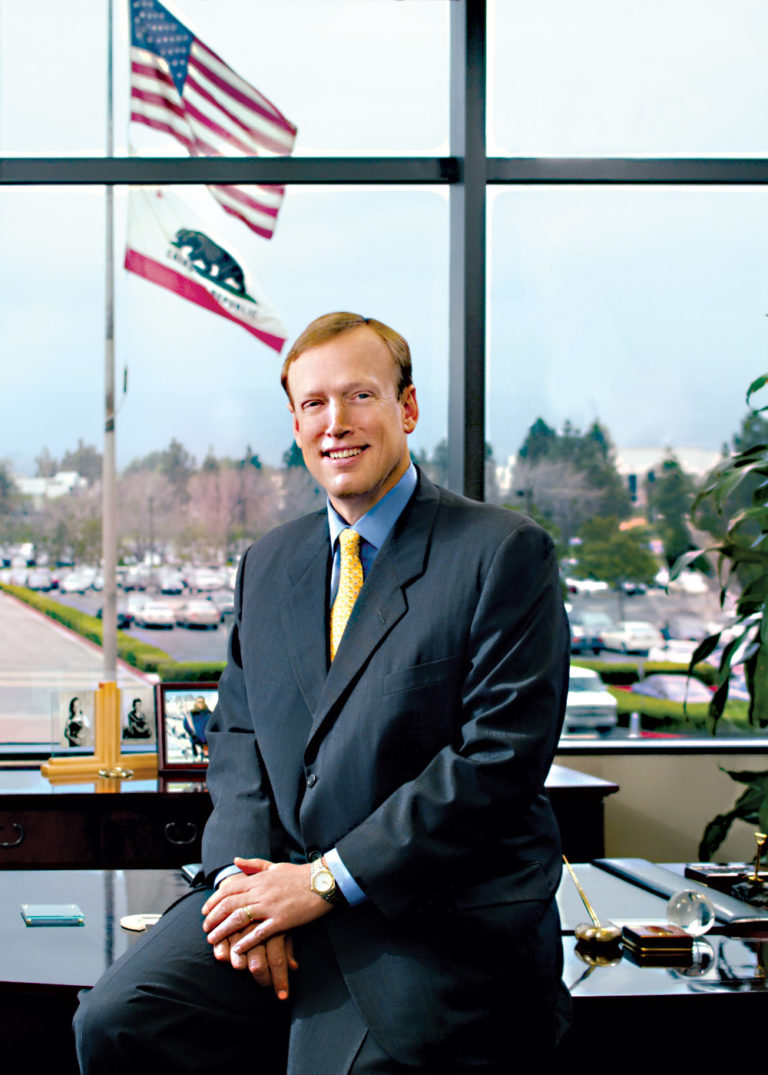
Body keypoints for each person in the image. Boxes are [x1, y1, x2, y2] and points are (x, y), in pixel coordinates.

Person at [74, 312, 571, 1074]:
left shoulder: (504, 552)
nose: (335, 422)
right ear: (296, 423)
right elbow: (238, 740)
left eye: (359, 395)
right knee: (114, 1022)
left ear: (407, 407)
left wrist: (322, 881)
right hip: (280, 891)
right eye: (312, 403)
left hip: (427, 916)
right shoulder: (269, 563)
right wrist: (245, 892)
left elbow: (496, 764)